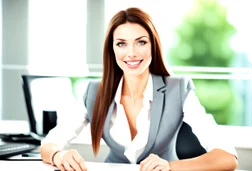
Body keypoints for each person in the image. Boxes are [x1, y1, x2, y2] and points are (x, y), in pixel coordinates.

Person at [40, 7, 238, 171]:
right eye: (121, 44)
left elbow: (228, 157)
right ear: (112, 49)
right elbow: (50, 143)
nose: (131, 53)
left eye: (141, 42)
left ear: (153, 45)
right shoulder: (94, 92)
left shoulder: (178, 89)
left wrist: (170, 167)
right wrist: (59, 155)